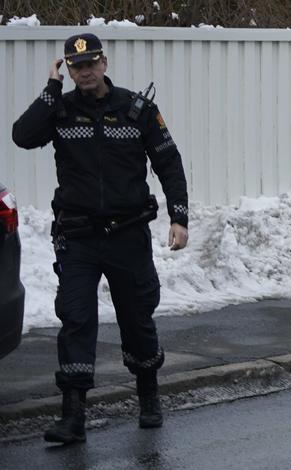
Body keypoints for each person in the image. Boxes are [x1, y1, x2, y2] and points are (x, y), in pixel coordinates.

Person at [12, 33, 189, 445]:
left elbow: (168, 161)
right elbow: (23, 135)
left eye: (91, 63)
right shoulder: (60, 109)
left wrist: (179, 217)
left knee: (137, 317)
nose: (85, 72)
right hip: (78, 236)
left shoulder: (136, 109)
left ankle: (148, 396)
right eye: (76, 67)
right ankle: (73, 416)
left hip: (128, 234)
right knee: (76, 319)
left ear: (104, 63)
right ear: (69, 71)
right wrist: (51, 89)